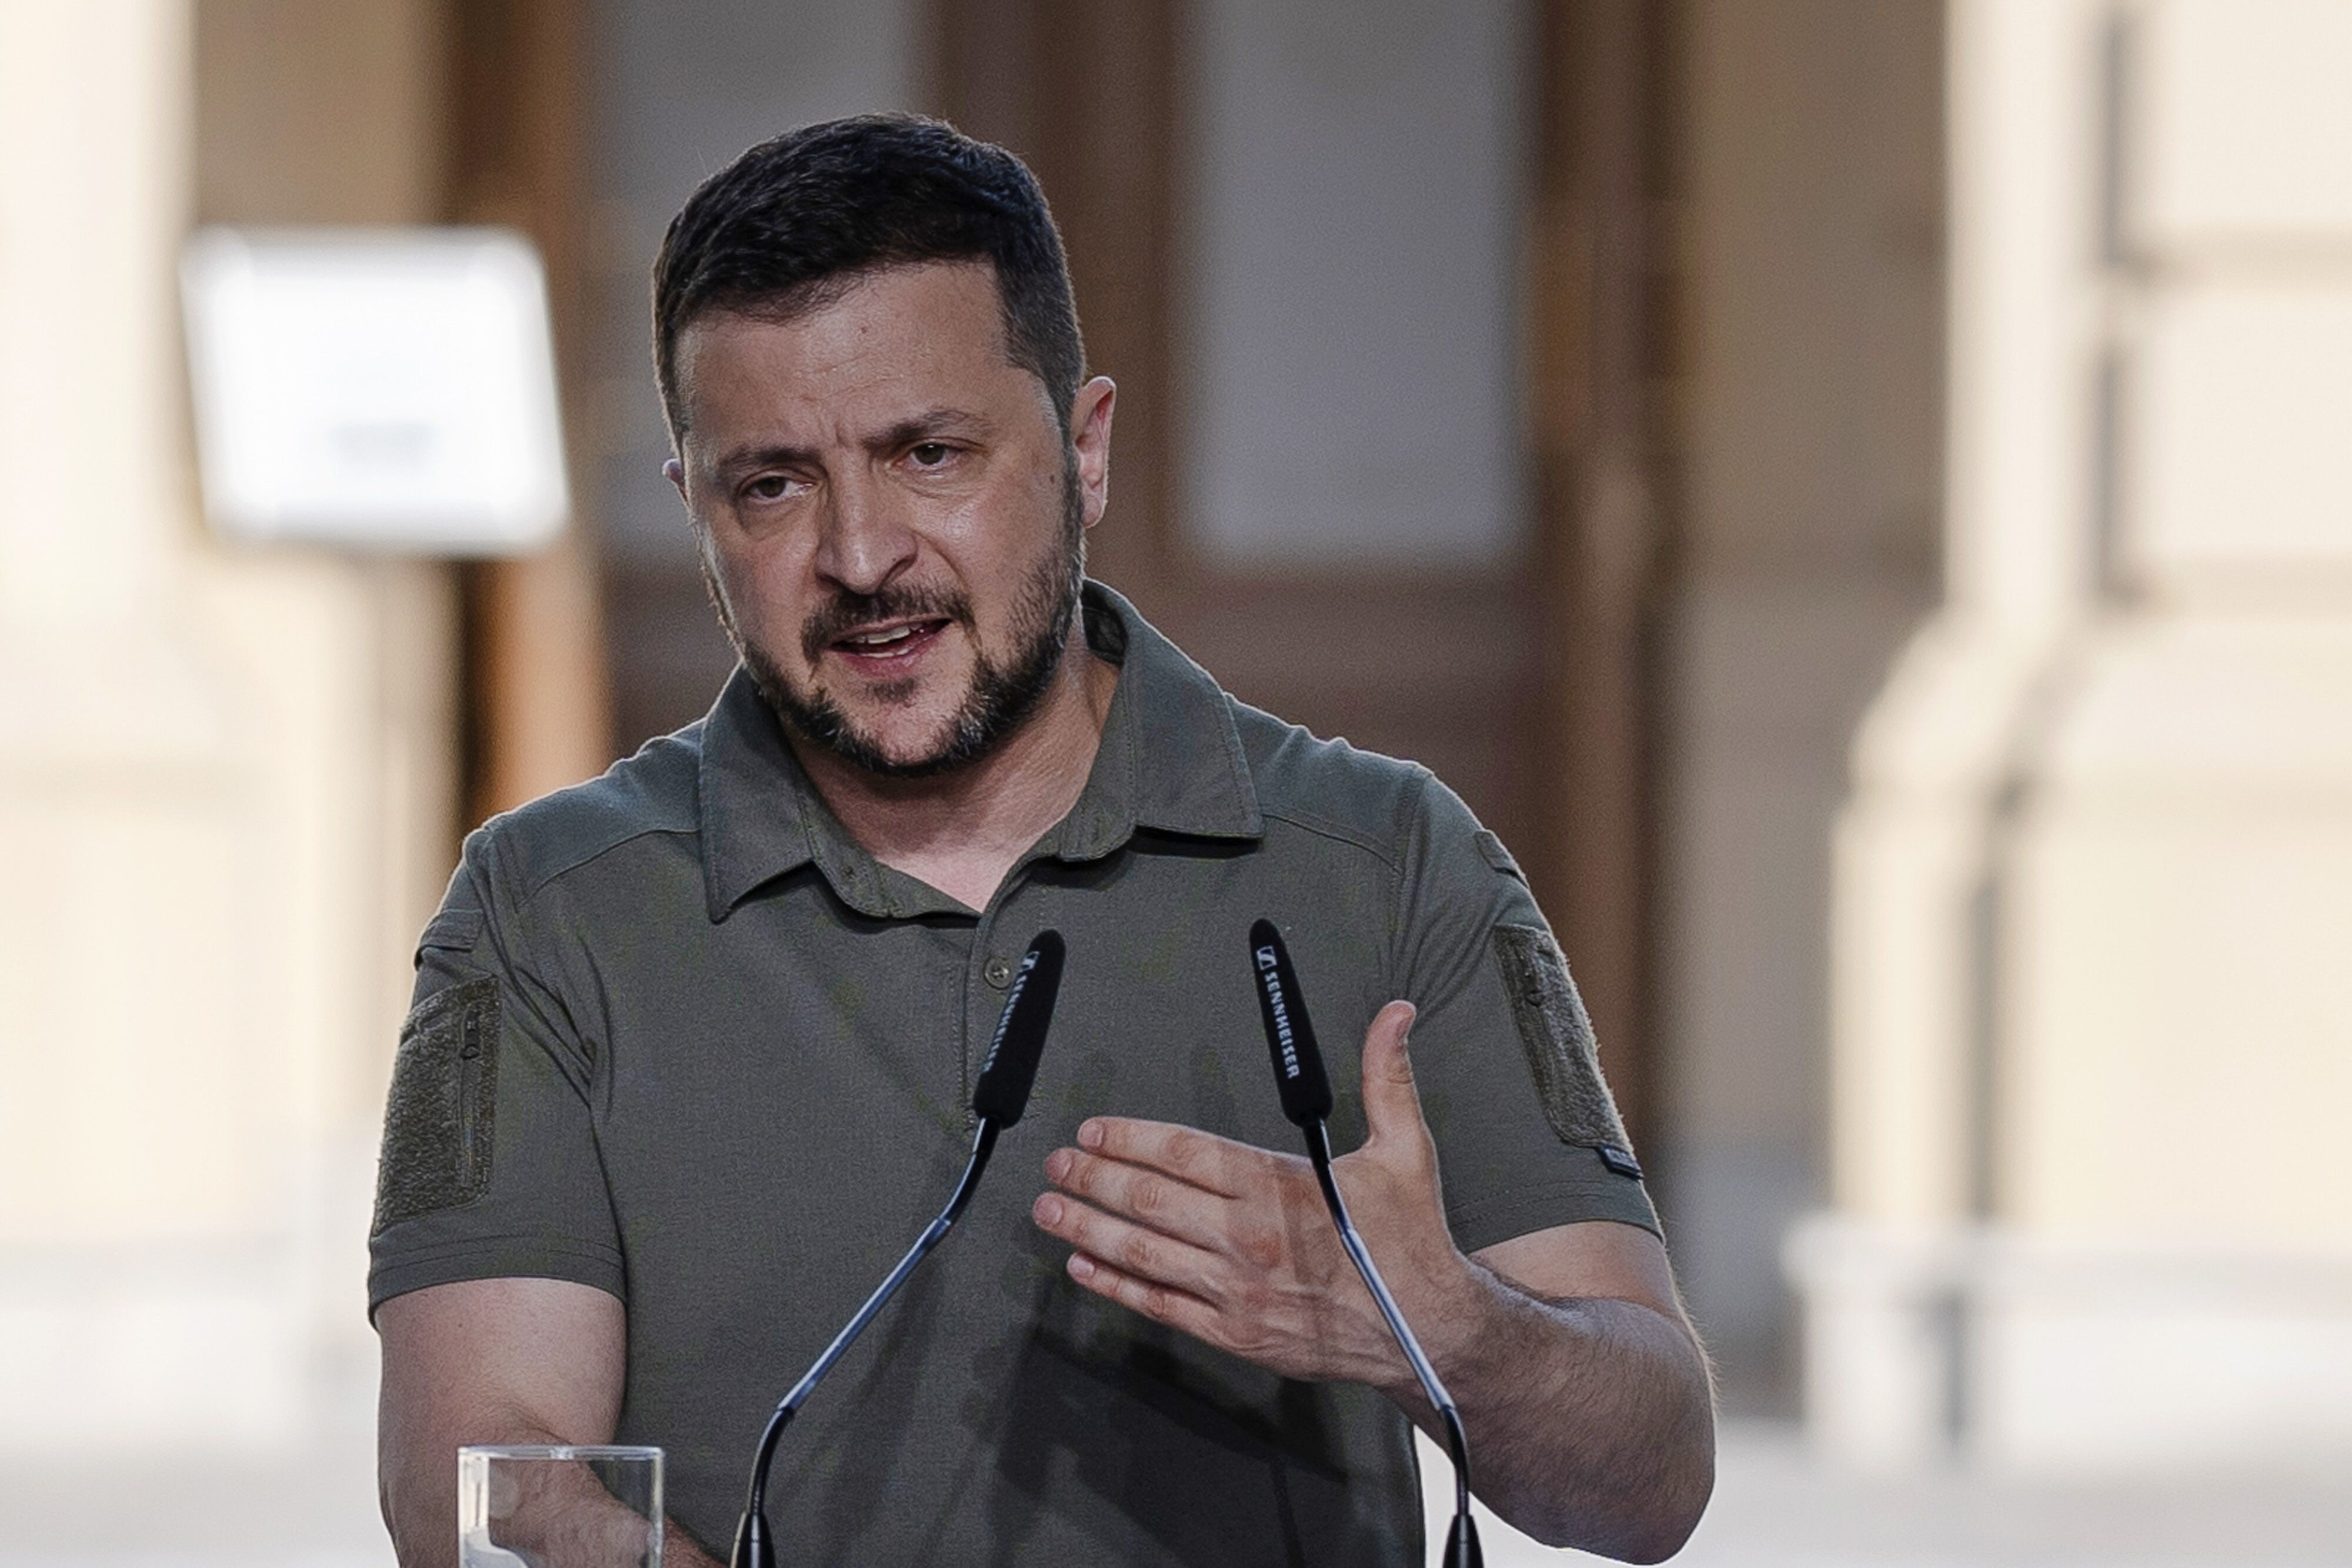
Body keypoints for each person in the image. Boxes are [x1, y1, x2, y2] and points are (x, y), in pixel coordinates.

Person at [372, 114, 1714, 1567]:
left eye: (929, 454)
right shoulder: (543, 911)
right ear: (693, 510)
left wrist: (1435, 1326)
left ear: (1084, 450)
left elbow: (1650, 1482)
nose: (861, 554)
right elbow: (481, 1477)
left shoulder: (1390, 863)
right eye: (771, 485)